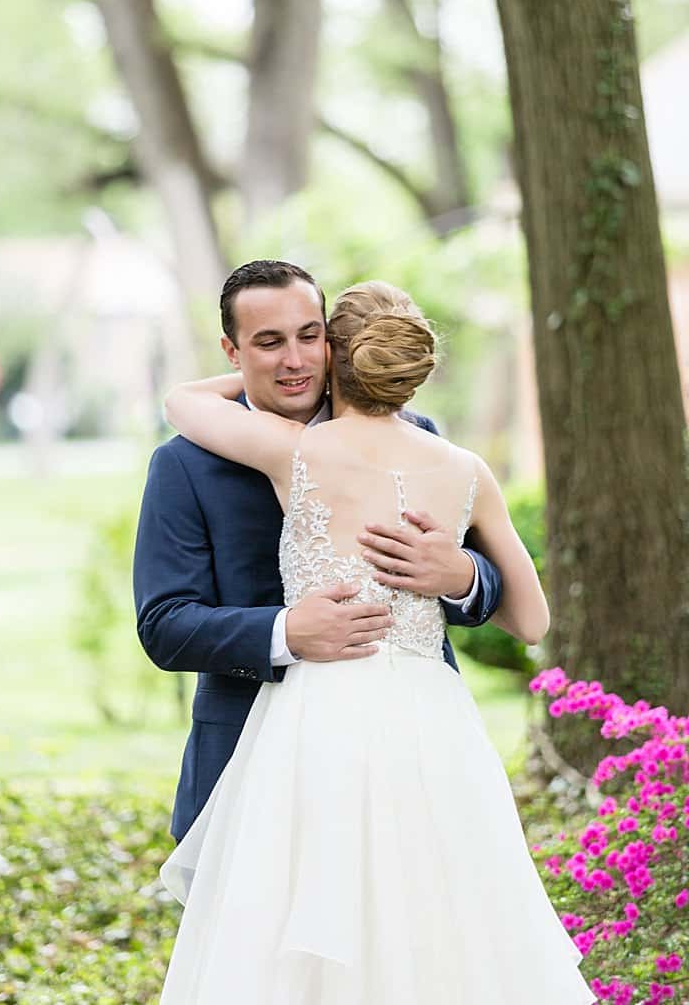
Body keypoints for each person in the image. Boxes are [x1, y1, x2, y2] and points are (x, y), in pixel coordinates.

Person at [149, 275, 592, 1003]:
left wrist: (456, 575)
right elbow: (164, 623)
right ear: (235, 349)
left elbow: (505, 600)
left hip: (380, 738)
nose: (293, 360)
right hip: (311, 744)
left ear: (336, 347)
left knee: (433, 936)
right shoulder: (187, 464)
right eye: (268, 344)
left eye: (309, 338)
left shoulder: (313, 450)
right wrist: (287, 631)